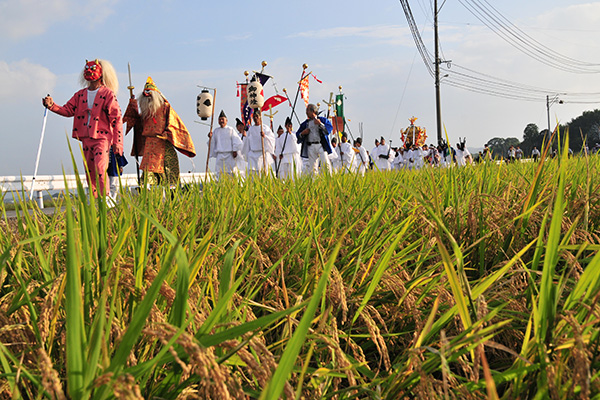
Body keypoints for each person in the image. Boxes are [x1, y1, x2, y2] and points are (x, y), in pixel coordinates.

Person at [43, 59, 124, 197]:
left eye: (93, 68)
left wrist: (118, 142)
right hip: (86, 138)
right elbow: (68, 110)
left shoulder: (108, 94)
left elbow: (116, 119)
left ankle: (105, 198)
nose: (89, 71)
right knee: (90, 170)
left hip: (102, 137)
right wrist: (52, 106)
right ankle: (94, 200)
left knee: (100, 167)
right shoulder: (80, 95)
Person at [123, 77, 195, 186]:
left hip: (163, 142)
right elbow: (138, 124)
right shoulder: (145, 110)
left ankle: (172, 190)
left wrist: (168, 133)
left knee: (169, 170)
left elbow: (174, 122)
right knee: (148, 172)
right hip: (150, 144)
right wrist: (132, 106)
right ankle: (146, 192)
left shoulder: (165, 107)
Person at [296, 103, 333, 175]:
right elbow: (298, 134)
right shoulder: (305, 124)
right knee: (312, 166)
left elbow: (328, 130)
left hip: (321, 145)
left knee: (325, 163)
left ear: (313, 111)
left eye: (307, 110)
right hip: (310, 146)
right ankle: (314, 181)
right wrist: (303, 133)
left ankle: (329, 179)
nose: (306, 112)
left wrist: (320, 124)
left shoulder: (322, 120)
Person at [208, 110, 244, 178]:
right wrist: (210, 137)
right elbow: (212, 142)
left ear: (226, 120)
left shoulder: (230, 129)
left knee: (231, 173)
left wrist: (234, 150)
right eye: (219, 119)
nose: (221, 121)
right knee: (220, 173)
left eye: (222, 119)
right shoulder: (216, 131)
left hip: (229, 155)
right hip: (220, 156)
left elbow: (236, 140)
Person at [243, 109, 275, 174]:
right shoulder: (251, 129)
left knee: (264, 172)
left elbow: (272, 140)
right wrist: (246, 155)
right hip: (253, 154)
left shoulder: (265, 128)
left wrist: (265, 136)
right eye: (254, 116)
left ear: (260, 117)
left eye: (257, 116)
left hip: (263, 154)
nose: (255, 118)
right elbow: (247, 143)